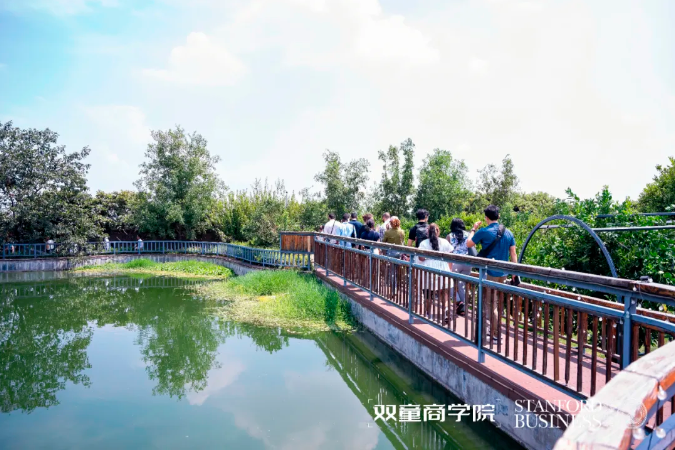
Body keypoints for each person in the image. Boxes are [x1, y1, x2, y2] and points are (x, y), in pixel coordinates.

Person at [467, 205, 517, 343]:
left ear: (486, 218)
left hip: (490, 272)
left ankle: (495, 334)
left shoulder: (484, 231)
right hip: (504, 273)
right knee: (498, 303)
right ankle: (495, 331)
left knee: (490, 304)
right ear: (498, 216)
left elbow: (469, 244)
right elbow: (513, 253)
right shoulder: (508, 232)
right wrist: (514, 272)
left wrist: (473, 229)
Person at [417, 223, 452, 319]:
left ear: (428, 232)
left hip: (429, 269)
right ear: (438, 231)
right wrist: (450, 269)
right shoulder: (444, 242)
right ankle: (446, 312)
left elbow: (420, 258)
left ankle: (428, 313)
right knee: (443, 292)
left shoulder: (424, 243)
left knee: (428, 293)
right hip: (443, 267)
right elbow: (450, 255)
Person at [446, 219, 475, 315]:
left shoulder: (450, 236)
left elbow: (447, 251)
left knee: (449, 283)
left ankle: (459, 302)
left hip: (455, 262)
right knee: (462, 285)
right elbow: (472, 247)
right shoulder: (468, 235)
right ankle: (463, 309)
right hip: (467, 263)